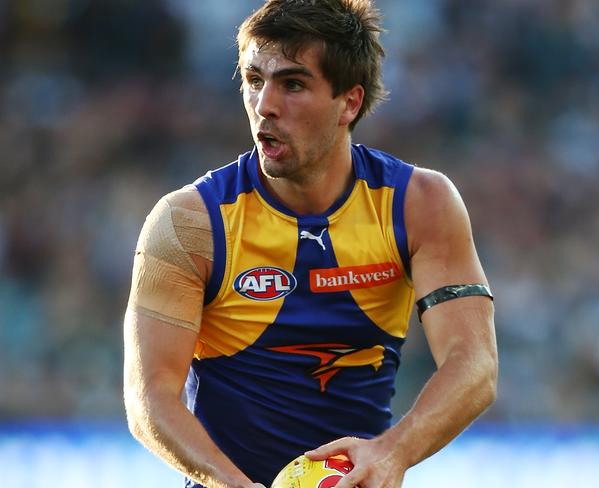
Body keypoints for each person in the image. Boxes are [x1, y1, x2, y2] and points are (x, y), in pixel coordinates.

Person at [123, 1, 498, 487]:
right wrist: (232, 485)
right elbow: (148, 396)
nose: (264, 105)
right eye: (254, 80)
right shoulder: (190, 223)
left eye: (293, 84)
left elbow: (476, 365)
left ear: (350, 102)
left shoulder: (418, 204)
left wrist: (393, 452)